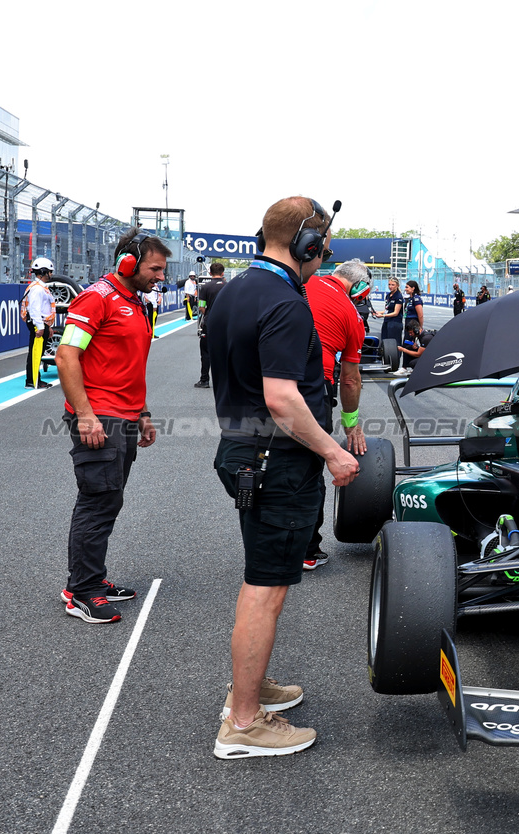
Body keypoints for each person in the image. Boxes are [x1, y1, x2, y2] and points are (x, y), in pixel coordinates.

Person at [205, 197, 360, 758]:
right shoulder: (287, 303)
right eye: (322, 245)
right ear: (307, 246)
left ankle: (250, 685)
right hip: (276, 462)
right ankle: (242, 724)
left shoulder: (234, 290)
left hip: (245, 454)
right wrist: (333, 452)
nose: (324, 255)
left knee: (262, 579)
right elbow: (282, 399)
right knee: (265, 588)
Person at [55, 229, 171, 622]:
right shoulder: (96, 298)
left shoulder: (134, 302)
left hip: (123, 416)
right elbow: (67, 356)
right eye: (155, 268)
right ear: (128, 262)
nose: (160, 276)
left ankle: (92, 578)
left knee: (109, 500)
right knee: (97, 501)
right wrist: (85, 414)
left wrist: (142, 412)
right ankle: (81, 591)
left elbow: (128, 367)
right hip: (98, 417)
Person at [303, 258, 372, 572]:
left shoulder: (300, 281)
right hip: (313, 389)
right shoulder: (352, 314)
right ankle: (307, 551)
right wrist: (351, 422)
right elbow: (350, 378)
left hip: (264, 383)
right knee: (308, 469)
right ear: (359, 287)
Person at [22, 258, 56, 389]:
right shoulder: (38, 289)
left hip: (41, 322)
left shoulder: (39, 287)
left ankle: (34, 380)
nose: (51, 275)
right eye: (49, 272)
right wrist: (41, 327)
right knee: (36, 352)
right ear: (43, 272)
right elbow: (35, 309)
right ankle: (33, 381)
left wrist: (48, 326)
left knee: (37, 352)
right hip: (38, 322)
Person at [195, 262, 228, 388]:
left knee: (206, 352)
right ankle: (225, 381)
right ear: (223, 273)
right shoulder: (228, 286)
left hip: (209, 322)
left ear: (210, 273)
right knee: (225, 352)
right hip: (225, 323)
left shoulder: (206, 287)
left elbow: (201, 307)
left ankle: (204, 380)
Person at [372, 277, 404, 371]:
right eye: (389, 284)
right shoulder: (388, 295)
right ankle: (386, 363)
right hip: (387, 321)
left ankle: (395, 364)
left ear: (397, 285)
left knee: (394, 343)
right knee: (385, 342)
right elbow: (387, 309)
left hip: (395, 322)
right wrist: (379, 312)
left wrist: (383, 315)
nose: (390, 286)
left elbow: (395, 312)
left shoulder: (399, 297)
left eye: (393, 285)